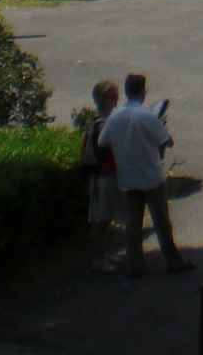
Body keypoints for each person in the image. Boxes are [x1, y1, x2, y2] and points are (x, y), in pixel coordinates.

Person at [97, 72, 194, 276]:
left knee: (133, 223)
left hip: (128, 176)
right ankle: (172, 260)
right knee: (161, 221)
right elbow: (166, 141)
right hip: (150, 175)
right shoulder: (148, 115)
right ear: (142, 91)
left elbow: (103, 142)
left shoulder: (115, 117)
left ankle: (135, 264)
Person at [82, 79, 127, 272]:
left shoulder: (99, 122)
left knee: (104, 219)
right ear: (103, 99)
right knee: (100, 220)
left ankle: (103, 255)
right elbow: (108, 146)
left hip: (107, 174)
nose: (116, 100)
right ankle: (98, 259)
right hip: (104, 175)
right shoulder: (103, 124)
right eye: (112, 96)